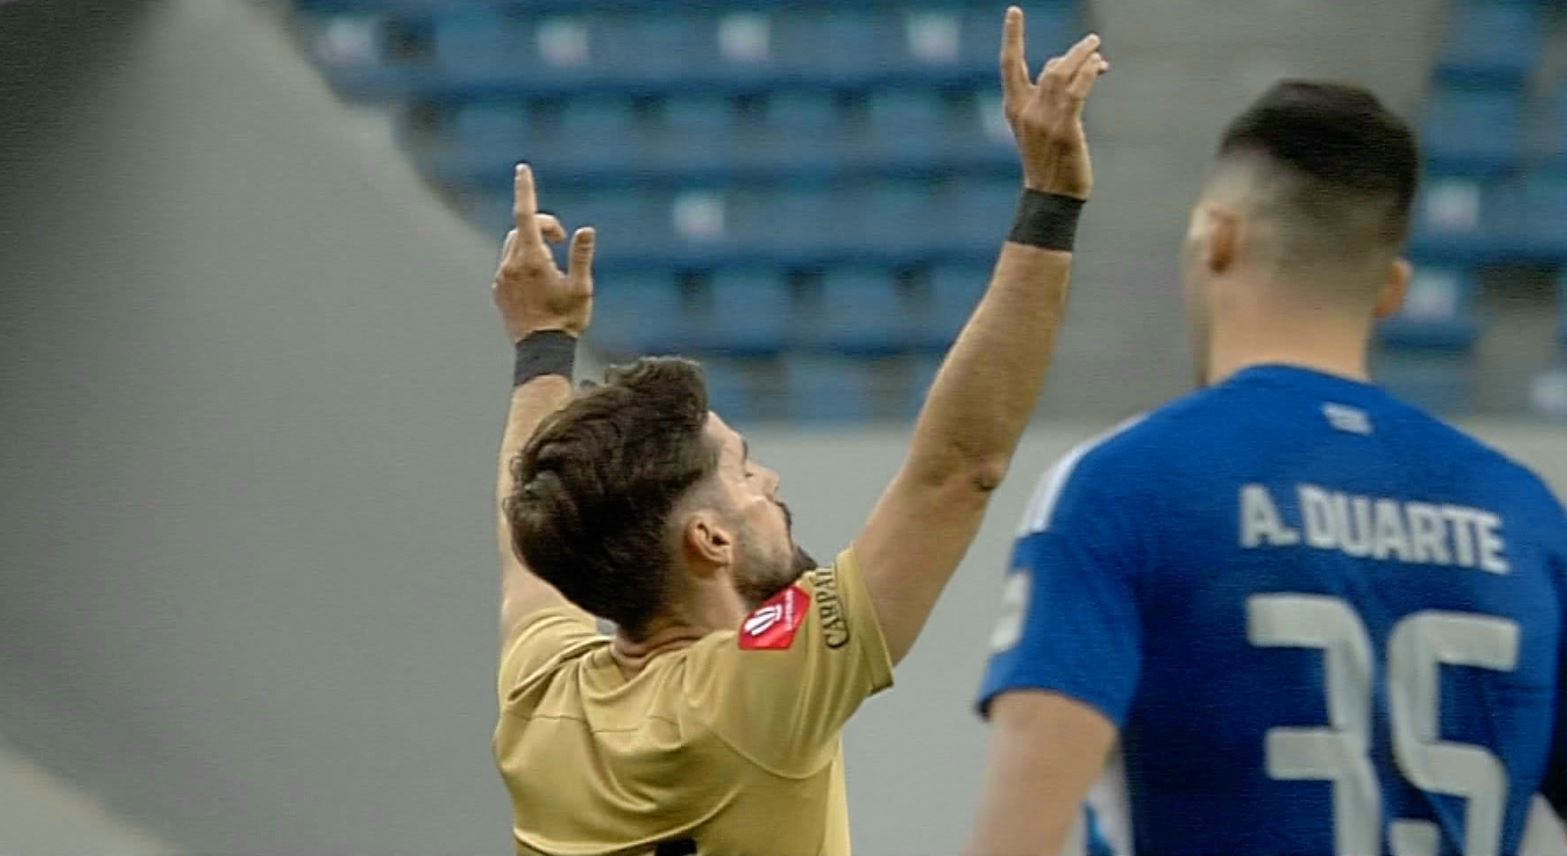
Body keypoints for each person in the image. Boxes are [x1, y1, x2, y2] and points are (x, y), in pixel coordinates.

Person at [487, 10, 1108, 855]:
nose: (769, 484)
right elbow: (957, 470)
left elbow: (526, 537)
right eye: (740, 472)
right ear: (705, 538)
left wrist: (542, 347)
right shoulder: (755, 692)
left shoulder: (543, 703)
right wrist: (1049, 202)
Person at [966, 80, 1567, 856]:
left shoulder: (1125, 488)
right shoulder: (1521, 515)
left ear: (1217, 238)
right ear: (1391, 290)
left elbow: (1018, 837)